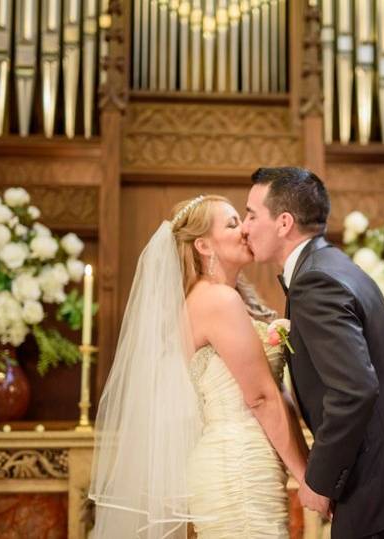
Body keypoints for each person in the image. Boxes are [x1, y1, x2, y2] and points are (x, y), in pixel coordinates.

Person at [243, 167, 384, 539]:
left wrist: (319, 480)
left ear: (284, 222)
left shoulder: (316, 281)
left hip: (374, 485)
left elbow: (354, 390)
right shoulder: (332, 266)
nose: (245, 226)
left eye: (252, 214)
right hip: (383, 480)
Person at [89, 195, 309, 538]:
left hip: (245, 459)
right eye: (234, 224)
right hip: (237, 466)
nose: (246, 230)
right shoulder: (216, 300)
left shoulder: (215, 298)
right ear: (204, 245)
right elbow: (262, 398)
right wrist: (307, 476)